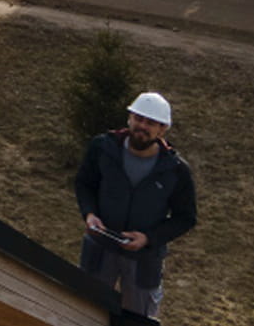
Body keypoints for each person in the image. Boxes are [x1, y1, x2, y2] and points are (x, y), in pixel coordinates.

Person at [74, 91, 197, 320]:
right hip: (99, 248)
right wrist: (89, 214)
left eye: (150, 123)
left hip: (144, 259)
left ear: (162, 129)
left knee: (139, 319)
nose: (142, 126)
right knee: (85, 311)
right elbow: (84, 184)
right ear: (129, 118)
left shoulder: (176, 170)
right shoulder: (102, 148)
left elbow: (186, 218)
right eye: (138, 119)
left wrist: (148, 238)